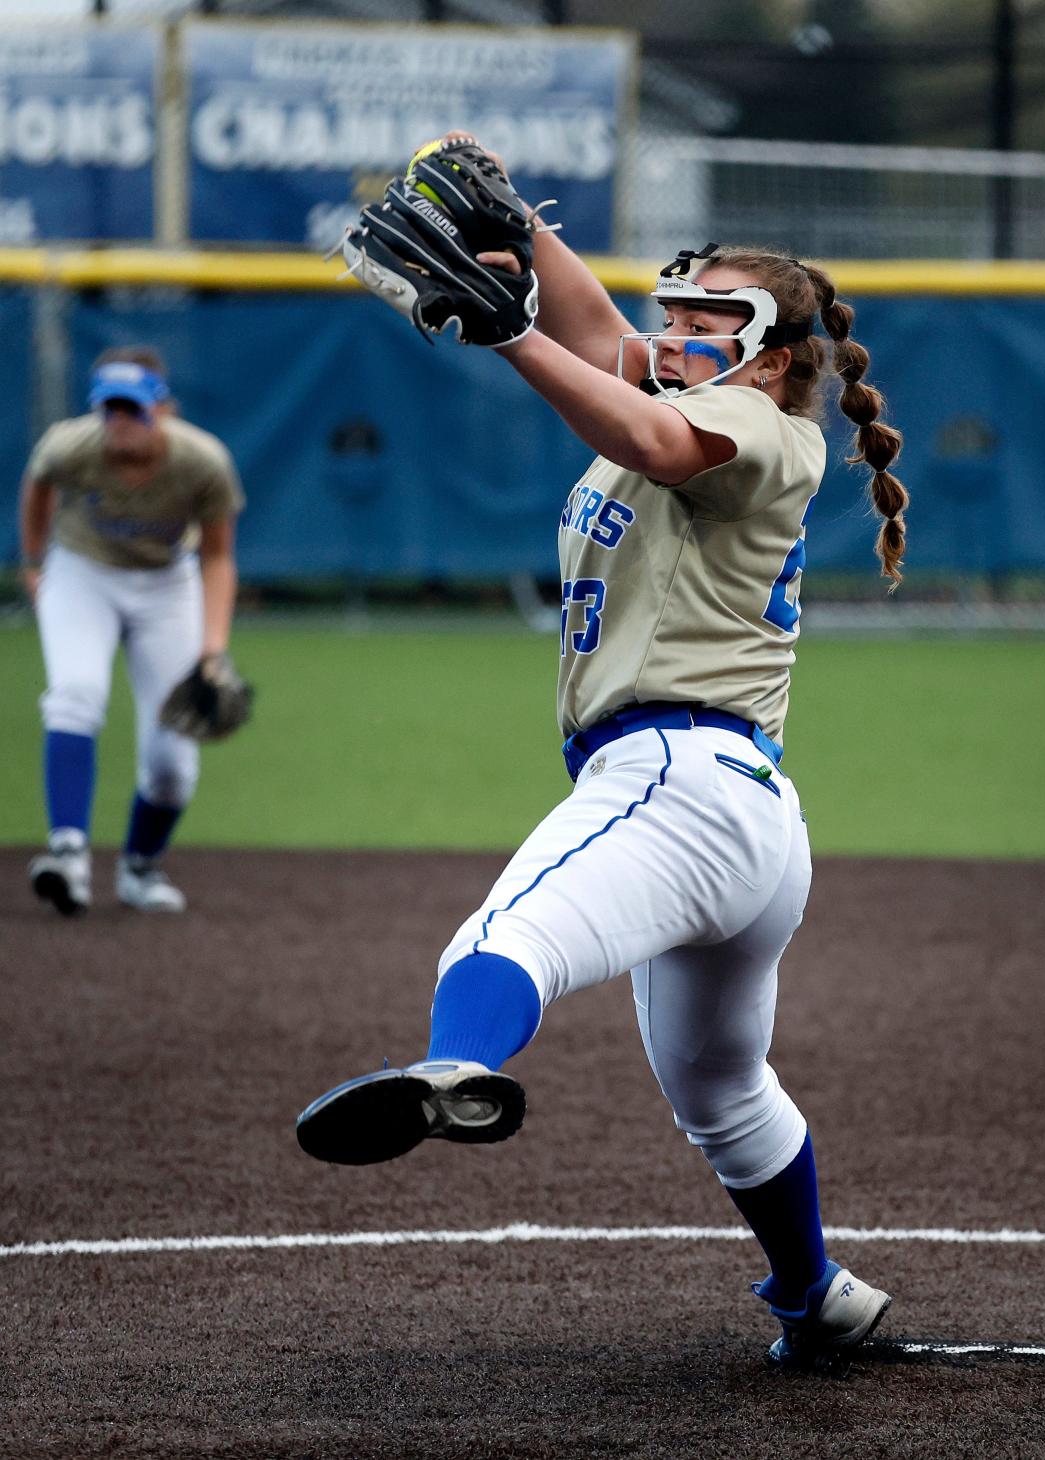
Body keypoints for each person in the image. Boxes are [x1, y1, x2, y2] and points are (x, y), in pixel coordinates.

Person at [297, 145, 909, 1371]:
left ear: (776, 355)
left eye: (707, 318)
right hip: (742, 817)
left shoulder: (761, 426)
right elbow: (602, 341)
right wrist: (525, 228)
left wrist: (514, 336)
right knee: (724, 1092)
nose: (675, 329)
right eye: (674, 307)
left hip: (674, 779)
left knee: (494, 940)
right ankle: (816, 1293)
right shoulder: (691, 385)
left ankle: (460, 1067)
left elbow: (648, 433)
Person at [19, 346, 245, 915]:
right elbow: (37, 487)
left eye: (133, 409)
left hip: (167, 585)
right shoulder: (70, 443)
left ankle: (140, 868)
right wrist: (33, 562)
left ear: (163, 409)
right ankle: (68, 855)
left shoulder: (202, 461)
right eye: (110, 408)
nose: (119, 421)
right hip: (82, 573)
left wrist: (212, 650)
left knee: (172, 762)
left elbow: (218, 557)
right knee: (75, 696)